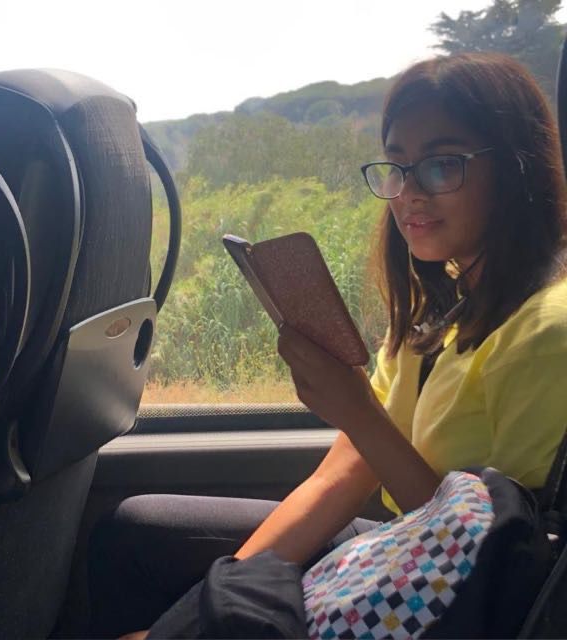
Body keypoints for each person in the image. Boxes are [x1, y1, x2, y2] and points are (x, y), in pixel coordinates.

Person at [89, 52, 567, 639]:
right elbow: (337, 480)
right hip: (396, 552)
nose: (409, 194)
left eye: (443, 166)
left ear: (517, 170)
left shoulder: (547, 332)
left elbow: (498, 569)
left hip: (442, 596)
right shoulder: (439, 312)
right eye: (397, 166)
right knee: (133, 529)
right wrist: (215, 602)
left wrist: (358, 412)